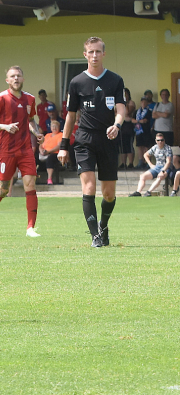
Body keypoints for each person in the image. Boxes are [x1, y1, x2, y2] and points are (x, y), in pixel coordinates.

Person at [58, 37, 128, 247]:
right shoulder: (76, 82)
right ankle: (94, 237)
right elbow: (70, 116)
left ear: (103, 54)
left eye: (98, 51)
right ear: (85, 55)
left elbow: (121, 108)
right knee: (88, 188)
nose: (95, 55)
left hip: (108, 140)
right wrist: (63, 146)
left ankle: (103, 226)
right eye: (91, 52)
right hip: (84, 140)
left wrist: (117, 125)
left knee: (108, 194)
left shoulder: (115, 80)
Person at [0, 66, 43, 237]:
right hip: (6, 151)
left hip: (25, 150)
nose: (16, 79)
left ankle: (30, 228)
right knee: (3, 190)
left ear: (23, 79)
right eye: (12, 76)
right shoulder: (1, 99)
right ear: (7, 80)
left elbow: (30, 120)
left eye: (19, 76)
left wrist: (36, 132)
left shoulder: (30, 99)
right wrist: (4, 126)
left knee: (30, 184)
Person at [38, 120, 63, 185]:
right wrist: (41, 151)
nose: (54, 128)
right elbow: (41, 145)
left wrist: (48, 152)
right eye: (53, 126)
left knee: (50, 158)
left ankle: (49, 178)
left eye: (56, 126)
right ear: (50, 127)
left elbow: (59, 146)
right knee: (33, 157)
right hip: (44, 153)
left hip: (55, 153)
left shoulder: (60, 135)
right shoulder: (47, 135)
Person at [134, 96, 154, 170]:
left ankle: (147, 162)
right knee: (140, 147)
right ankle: (140, 162)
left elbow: (146, 120)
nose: (143, 103)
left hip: (146, 131)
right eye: (142, 102)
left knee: (146, 147)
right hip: (138, 131)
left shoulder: (149, 111)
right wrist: (139, 121)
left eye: (145, 102)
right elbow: (133, 120)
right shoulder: (137, 112)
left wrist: (140, 121)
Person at [119, 88, 136, 168]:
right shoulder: (119, 103)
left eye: (126, 94)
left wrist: (125, 103)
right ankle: (123, 163)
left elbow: (128, 112)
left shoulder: (131, 103)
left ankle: (131, 163)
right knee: (122, 145)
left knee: (129, 145)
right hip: (122, 125)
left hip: (129, 125)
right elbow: (116, 112)